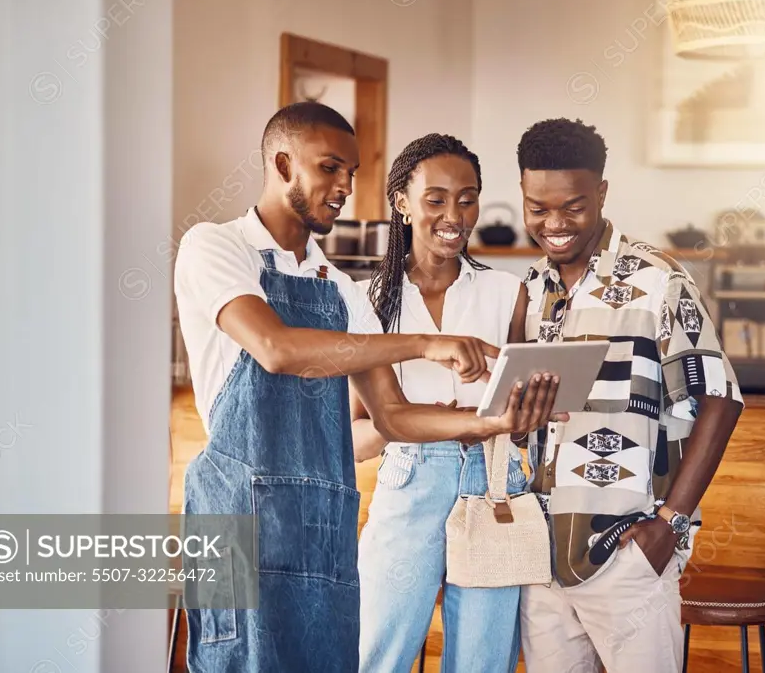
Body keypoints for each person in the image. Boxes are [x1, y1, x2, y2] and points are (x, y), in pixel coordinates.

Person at [173, 102, 560, 673]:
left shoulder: (343, 291)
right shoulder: (216, 246)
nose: (343, 188)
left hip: (323, 517)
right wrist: (425, 344)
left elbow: (394, 418)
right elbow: (277, 349)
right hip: (238, 512)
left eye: (351, 174)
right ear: (283, 164)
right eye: (330, 168)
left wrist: (493, 423)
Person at [511, 118, 744, 673]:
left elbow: (721, 397)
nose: (554, 224)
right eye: (537, 208)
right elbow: (524, 425)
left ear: (602, 193)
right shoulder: (530, 288)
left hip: (625, 549)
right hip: (541, 555)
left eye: (572, 206)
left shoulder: (659, 281)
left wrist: (671, 524)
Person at [352, 133, 550, 673]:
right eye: (435, 198)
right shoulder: (365, 304)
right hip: (410, 482)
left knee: (482, 661)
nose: (455, 214)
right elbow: (352, 439)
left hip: (494, 482)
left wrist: (528, 413)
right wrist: (440, 423)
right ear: (401, 202)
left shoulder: (509, 293)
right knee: (378, 653)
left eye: (467, 198)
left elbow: (527, 420)